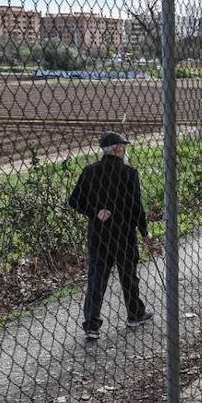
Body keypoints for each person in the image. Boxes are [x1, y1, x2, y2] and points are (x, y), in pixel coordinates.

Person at [68, 131, 153, 341]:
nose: (125, 151)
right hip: (124, 234)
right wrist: (144, 232)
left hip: (98, 235)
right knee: (128, 276)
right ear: (117, 149)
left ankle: (92, 325)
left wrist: (95, 211)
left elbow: (74, 200)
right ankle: (135, 314)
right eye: (123, 147)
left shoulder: (89, 171)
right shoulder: (129, 173)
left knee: (97, 279)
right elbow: (136, 207)